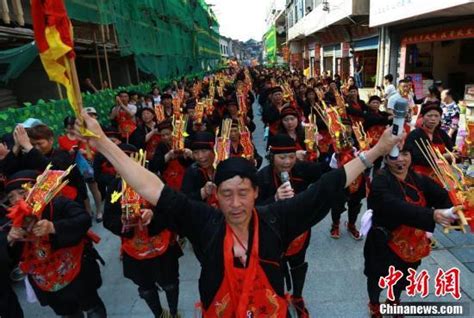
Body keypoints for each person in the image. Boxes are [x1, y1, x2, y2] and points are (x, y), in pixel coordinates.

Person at [74, 109, 401, 317]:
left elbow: (329, 185)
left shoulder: (277, 217)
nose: (235, 203)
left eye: (243, 193)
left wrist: (378, 151)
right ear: (216, 195)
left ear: (256, 192)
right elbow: (149, 187)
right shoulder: (205, 222)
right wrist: (102, 142)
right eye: (226, 194)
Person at [364, 144, 456, 318]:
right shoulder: (380, 180)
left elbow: (442, 196)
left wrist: (458, 207)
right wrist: (432, 214)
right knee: (377, 276)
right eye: (394, 155)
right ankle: (374, 304)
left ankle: (393, 301)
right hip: (385, 240)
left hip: (414, 242)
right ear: (385, 158)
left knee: (404, 276)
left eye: (405, 153)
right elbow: (395, 206)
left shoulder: (419, 179)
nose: (400, 159)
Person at [5, 170, 106, 317]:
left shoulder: (57, 203)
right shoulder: (13, 223)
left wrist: (54, 227)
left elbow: (83, 220)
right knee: (68, 314)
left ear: (35, 188)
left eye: (21, 192)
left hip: (76, 271)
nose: (17, 200)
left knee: (92, 308)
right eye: (11, 197)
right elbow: (10, 258)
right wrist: (9, 240)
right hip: (47, 283)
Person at [256, 134, 330, 317]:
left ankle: (297, 296)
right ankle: (278, 298)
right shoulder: (261, 178)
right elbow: (252, 209)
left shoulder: (301, 169)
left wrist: (336, 155)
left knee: (298, 263)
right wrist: (274, 198)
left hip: (299, 233)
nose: (287, 162)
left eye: (291, 157)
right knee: (275, 268)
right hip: (272, 234)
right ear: (271, 157)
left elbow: (327, 171)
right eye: (282, 157)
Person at [103, 145, 182, 318]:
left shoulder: (154, 180)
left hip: (161, 244)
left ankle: (175, 313)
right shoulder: (115, 187)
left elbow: (172, 208)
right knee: (146, 288)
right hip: (134, 248)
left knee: (170, 283)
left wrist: (153, 215)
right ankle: (160, 314)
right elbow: (108, 219)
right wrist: (122, 222)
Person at [404, 102, 454, 182]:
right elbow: (416, 157)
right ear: (422, 118)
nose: (433, 119)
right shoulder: (414, 135)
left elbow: (451, 150)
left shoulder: (441, 134)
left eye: (436, 116)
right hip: (420, 176)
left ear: (440, 118)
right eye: (429, 116)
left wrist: (455, 155)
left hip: (441, 175)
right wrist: (442, 157)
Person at [149, 120, 194, 190]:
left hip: (186, 179)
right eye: (163, 135)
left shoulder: (186, 142)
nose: (165, 137)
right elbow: (154, 166)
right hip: (168, 180)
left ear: (173, 133)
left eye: (168, 134)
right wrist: (168, 155)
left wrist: (190, 154)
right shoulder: (161, 146)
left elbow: (196, 161)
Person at [180, 132, 217, 205]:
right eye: (196, 152)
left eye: (204, 151)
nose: (200, 156)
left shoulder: (222, 169)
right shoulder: (192, 172)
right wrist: (203, 192)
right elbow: (183, 201)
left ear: (214, 151)